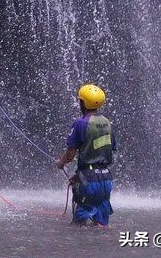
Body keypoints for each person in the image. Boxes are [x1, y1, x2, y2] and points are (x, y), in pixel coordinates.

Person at [56, 84, 116, 226]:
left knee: (78, 226)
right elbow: (102, 153)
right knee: (101, 226)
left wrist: (61, 163)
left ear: (83, 103)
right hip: (106, 179)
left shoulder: (80, 123)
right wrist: (78, 176)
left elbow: (70, 155)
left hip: (88, 181)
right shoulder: (107, 123)